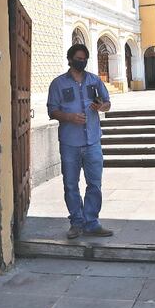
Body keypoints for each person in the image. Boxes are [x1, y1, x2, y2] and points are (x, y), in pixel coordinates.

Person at [47, 44, 113, 239]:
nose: (81, 61)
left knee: (95, 184)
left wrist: (101, 107)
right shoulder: (58, 84)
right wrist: (69, 117)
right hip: (70, 143)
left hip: (93, 141)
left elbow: (108, 103)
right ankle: (76, 223)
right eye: (78, 58)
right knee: (70, 184)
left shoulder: (94, 80)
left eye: (84, 58)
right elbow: (52, 110)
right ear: (69, 59)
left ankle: (91, 222)